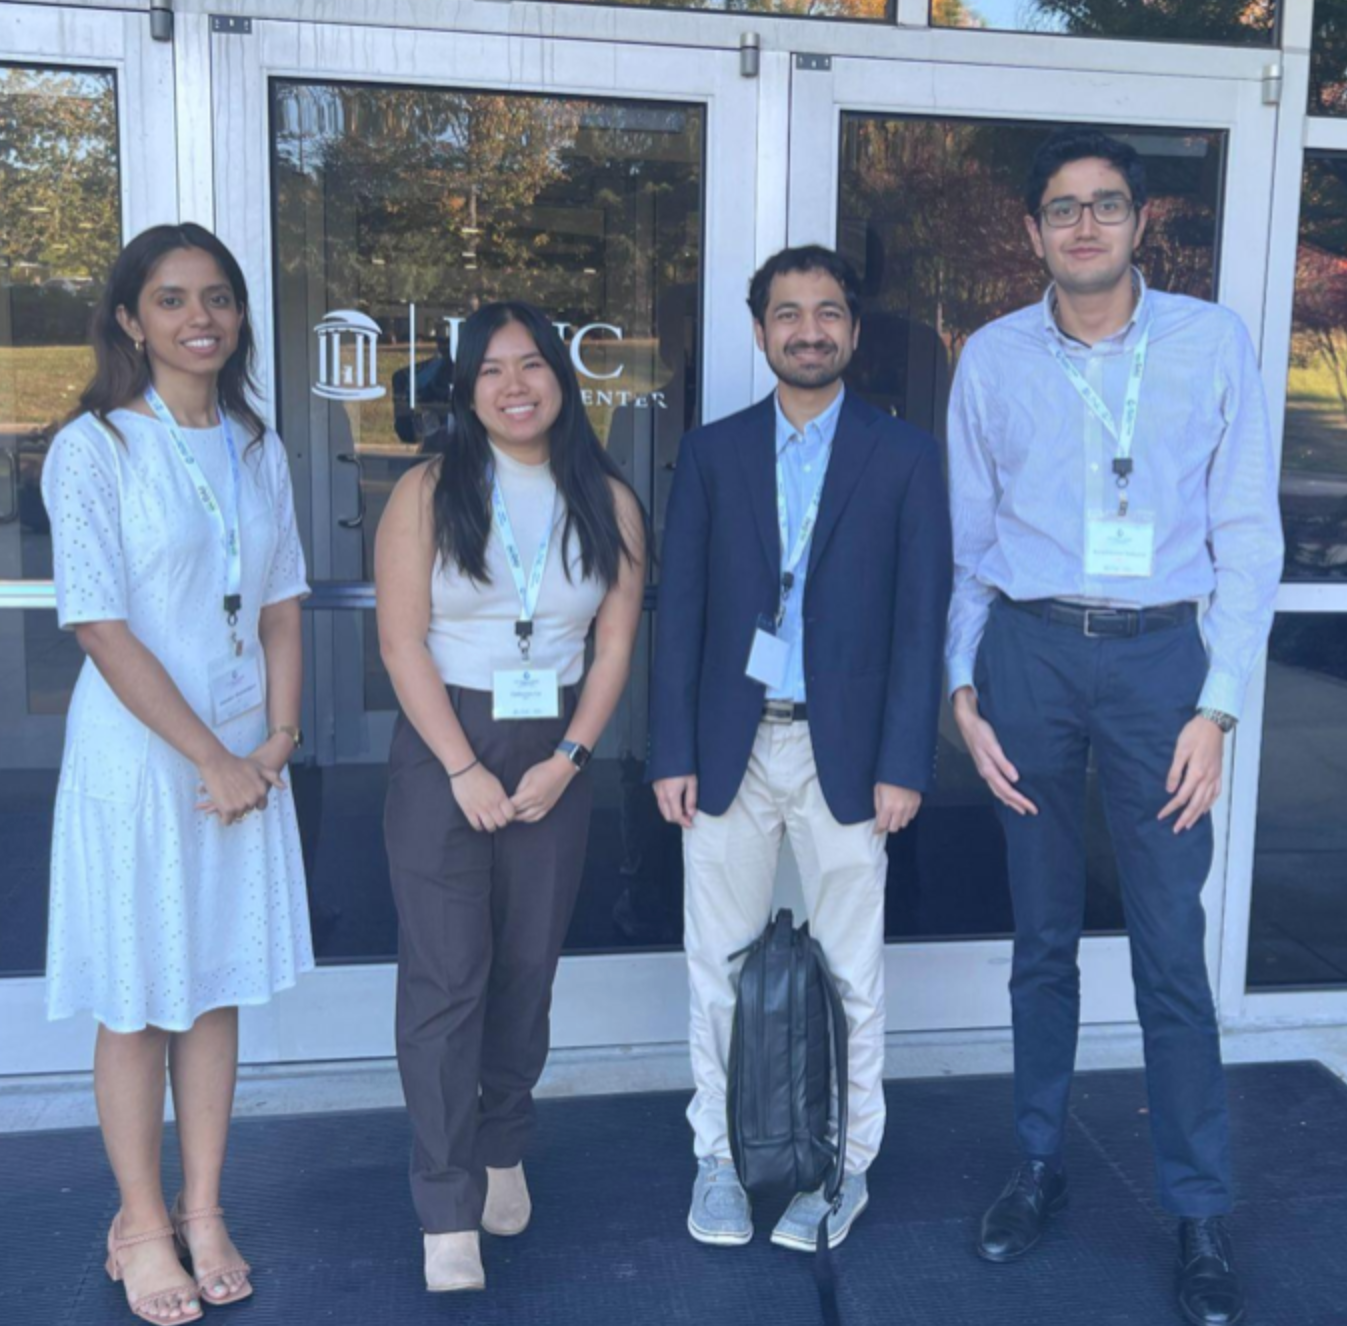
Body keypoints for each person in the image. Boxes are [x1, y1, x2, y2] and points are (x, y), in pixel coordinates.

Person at [945, 129, 1282, 1326]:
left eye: (1106, 206)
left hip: (1162, 668)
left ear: (1144, 223)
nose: (1083, 225)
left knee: (1170, 952)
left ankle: (1198, 1211)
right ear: (1033, 232)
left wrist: (1220, 704)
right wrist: (963, 690)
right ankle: (1039, 1164)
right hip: (1030, 655)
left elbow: (1247, 533)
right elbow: (969, 548)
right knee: (1041, 937)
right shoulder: (989, 359)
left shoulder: (1211, 343)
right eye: (1061, 209)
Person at [649, 245, 952, 1252]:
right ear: (761, 330)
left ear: (854, 333)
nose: (809, 329)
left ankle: (844, 1168)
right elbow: (679, 613)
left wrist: (907, 760)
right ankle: (719, 1163)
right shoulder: (712, 452)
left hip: (851, 757)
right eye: (789, 313)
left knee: (854, 974)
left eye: (828, 313)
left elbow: (921, 622)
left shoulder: (905, 457)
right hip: (730, 751)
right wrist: (670, 751)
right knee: (718, 968)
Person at [42, 223, 315, 1324]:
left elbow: (285, 604)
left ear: (238, 315)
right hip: (145, 766)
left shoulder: (258, 444)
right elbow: (99, 626)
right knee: (138, 997)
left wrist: (278, 742)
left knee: (211, 986)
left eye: (216, 297)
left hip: (246, 758)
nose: (198, 318)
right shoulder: (96, 447)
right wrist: (213, 756)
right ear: (129, 320)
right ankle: (140, 1221)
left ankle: (203, 1210)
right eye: (170, 300)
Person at [376, 300, 645, 1293]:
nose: (515, 386)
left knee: (527, 965)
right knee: (447, 979)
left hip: (554, 749)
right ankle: (445, 1202)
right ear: (465, 389)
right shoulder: (427, 490)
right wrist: (460, 766)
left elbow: (613, 644)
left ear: (563, 381)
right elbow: (402, 640)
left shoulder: (606, 499)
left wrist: (571, 755)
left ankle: (503, 1148)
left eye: (532, 366)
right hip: (448, 742)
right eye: (491, 371)